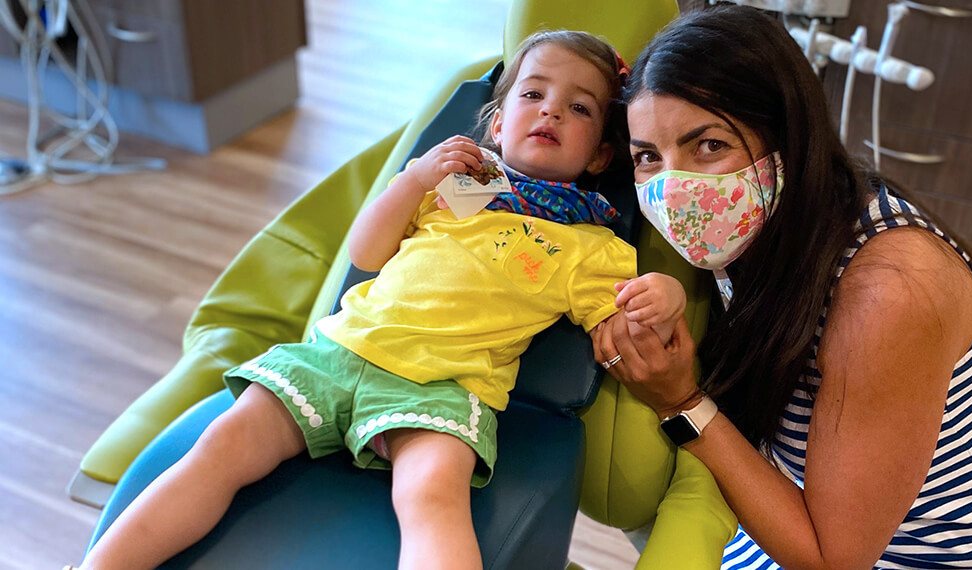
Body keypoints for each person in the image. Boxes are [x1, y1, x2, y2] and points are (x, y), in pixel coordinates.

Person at [76, 30, 686, 570]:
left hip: (443, 388)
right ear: (496, 122)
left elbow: (619, 319)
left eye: (578, 107)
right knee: (220, 448)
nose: (550, 109)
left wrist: (663, 294)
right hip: (338, 354)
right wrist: (413, 179)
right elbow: (367, 253)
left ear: (602, 154)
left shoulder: (586, 242)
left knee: (430, 499)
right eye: (533, 94)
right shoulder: (458, 186)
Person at [593, 6, 972, 569]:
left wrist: (681, 403)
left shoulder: (889, 289)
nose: (676, 189)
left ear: (787, 139)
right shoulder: (762, 223)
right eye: (649, 156)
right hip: (792, 498)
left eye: (709, 146)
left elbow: (833, 559)